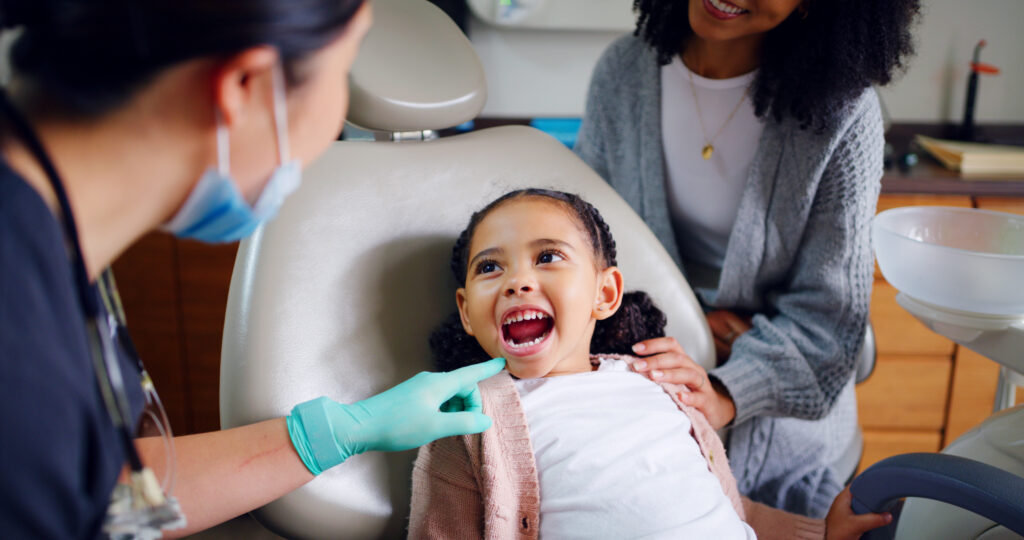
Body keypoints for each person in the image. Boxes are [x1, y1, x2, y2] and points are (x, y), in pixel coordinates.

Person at [0, 1, 505, 538]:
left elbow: (96, 488)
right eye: (343, 72)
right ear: (245, 84)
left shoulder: (43, 228)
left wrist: (336, 433)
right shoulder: (16, 317)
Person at [573, 0, 920, 516]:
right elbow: (588, 246)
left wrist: (724, 389)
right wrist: (685, 324)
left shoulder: (845, 112)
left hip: (779, 421)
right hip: (648, 374)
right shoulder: (624, 72)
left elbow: (828, 324)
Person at [409, 189, 891, 540]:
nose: (517, 281)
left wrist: (821, 534)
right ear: (467, 311)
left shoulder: (652, 382)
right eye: (490, 267)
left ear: (605, 293)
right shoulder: (468, 426)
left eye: (548, 257)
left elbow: (724, 508)